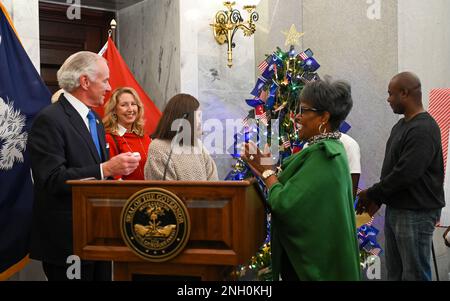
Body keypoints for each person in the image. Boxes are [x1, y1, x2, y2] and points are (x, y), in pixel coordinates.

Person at [28, 51, 141, 281]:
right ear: (85, 81)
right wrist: (106, 169)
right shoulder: (50, 119)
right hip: (68, 242)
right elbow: (51, 179)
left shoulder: (96, 120)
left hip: (99, 237)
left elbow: (98, 172)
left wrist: (117, 172)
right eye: (105, 80)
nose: (109, 87)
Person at [242, 78, 360, 281]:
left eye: (304, 110)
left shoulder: (325, 155)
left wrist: (268, 173)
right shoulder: (330, 149)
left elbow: (286, 205)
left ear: (324, 117)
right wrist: (263, 171)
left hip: (315, 268)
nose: (297, 117)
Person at [357, 72, 445, 281]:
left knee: (414, 274)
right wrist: (378, 198)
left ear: (405, 93)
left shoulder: (424, 128)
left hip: (415, 213)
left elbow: (406, 173)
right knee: (395, 273)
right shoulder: (401, 126)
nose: (388, 99)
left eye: (391, 94)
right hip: (398, 209)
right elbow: (393, 171)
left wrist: (373, 192)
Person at [144, 93, 218, 181]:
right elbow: (164, 191)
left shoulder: (197, 145)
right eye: (198, 115)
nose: (200, 121)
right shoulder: (158, 148)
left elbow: (214, 183)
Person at [103, 87, 151, 180]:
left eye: (133, 104)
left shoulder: (145, 137)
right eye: (124, 105)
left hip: (150, 192)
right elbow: (114, 177)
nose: (130, 109)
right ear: (114, 110)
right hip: (129, 193)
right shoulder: (109, 138)